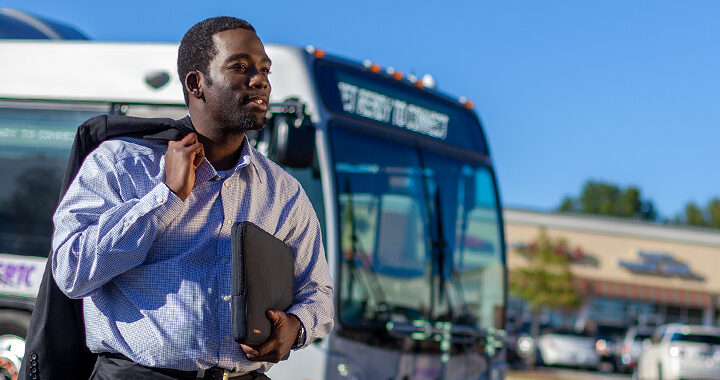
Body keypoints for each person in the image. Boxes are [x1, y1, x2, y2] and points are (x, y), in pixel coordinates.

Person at [50, 16, 334, 379]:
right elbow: (71, 272)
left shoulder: (284, 192)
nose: (260, 79)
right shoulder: (120, 163)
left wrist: (296, 325)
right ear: (196, 83)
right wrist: (165, 198)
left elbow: (318, 292)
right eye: (240, 67)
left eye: (265, 69)